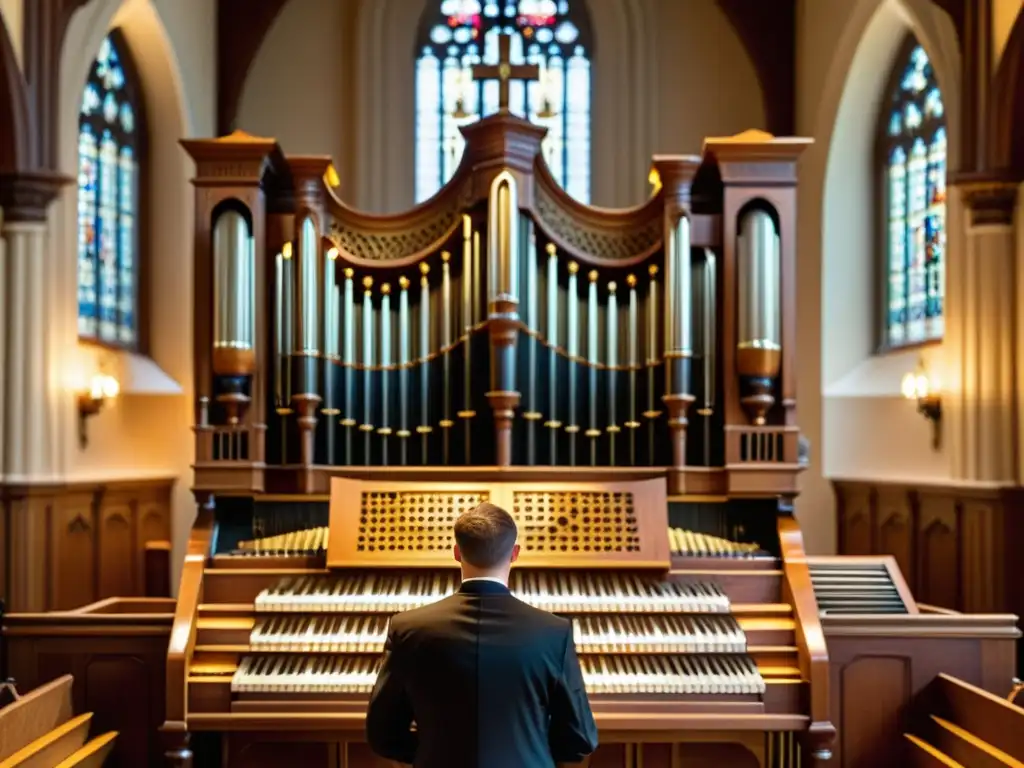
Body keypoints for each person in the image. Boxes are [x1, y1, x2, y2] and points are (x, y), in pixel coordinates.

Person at [365, 501, 598, 768]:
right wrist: (531, 750)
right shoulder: (554, 632)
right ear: (515, 553)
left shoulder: (407, 628)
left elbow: (382, 736)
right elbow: (580, 739)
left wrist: (433, 752)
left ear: (456, 552)